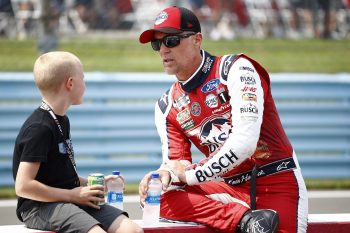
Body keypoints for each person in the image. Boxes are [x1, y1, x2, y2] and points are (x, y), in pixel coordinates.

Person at [138, 6, 308, 233]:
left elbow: (244, 143)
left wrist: (188, 174)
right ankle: (243, 220)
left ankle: (243, 219)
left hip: (275, 179)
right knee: (156, 197)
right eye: (157, 44)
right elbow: (177, 162)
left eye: (171, 41)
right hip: (228, 189)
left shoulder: (236, 69)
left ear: (197, 39)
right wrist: (163, 175)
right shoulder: (166, 105)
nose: (163, 50)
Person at [12, 51, 143, 233]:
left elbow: (59, 176)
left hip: (68, 199)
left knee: (132, 230)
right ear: (70, 83)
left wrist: (92, 183)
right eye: (83, 78)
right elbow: (23, 186)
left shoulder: (61, 120)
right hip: (38, 207)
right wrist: (72, 195)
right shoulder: (39, 128)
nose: (85, 84)